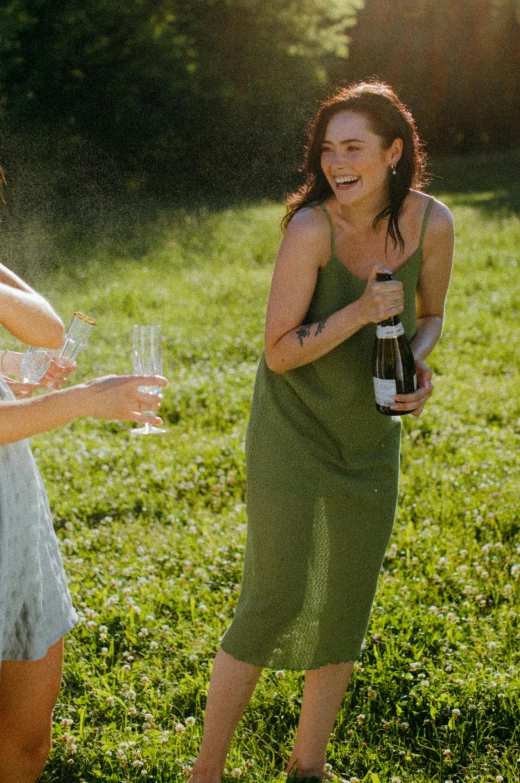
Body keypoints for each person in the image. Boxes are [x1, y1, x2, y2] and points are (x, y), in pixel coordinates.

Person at [190, 81, 454, 782]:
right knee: (272, 595)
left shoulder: (432, 224)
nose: (337, 162)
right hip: (293, 429)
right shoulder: (311, 229)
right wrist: (360, 313)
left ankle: (307, 766)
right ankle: (205, 771)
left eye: (354, 147)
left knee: (345, 601)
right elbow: (279, 350)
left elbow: (431, 317)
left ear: (394, 153)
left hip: (369, 438)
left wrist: (414, 368)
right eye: (328, 148)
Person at [0, 149, 167, 783]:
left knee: (27, 743)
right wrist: (87, 400)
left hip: (11, 505)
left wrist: (7, 366)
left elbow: (43, 328)